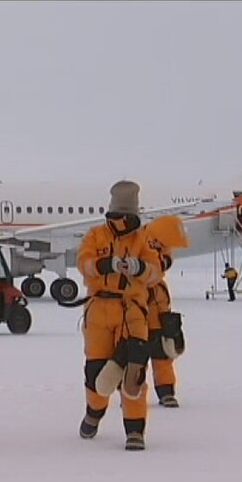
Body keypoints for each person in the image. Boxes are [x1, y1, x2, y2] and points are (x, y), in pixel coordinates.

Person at [76, 180, 163, 451]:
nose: (120, 220)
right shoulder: (95, 236)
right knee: (96, 374)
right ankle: (94, 412)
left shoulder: (143, 239)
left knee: (133, 374)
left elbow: (156, 272)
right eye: (116, 216)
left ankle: (135, 431)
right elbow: (84, 264)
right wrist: (106, 264)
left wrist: (138, 267)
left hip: (132, 312)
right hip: (99, 310)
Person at [143, 215, 190, 408]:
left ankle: (166, 392)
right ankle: (132, 394)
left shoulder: (163, 244)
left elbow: (165, 261)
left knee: (163, 355)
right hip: (137, 313)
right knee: (134, 358)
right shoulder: (138, 241)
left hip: (160, 313)